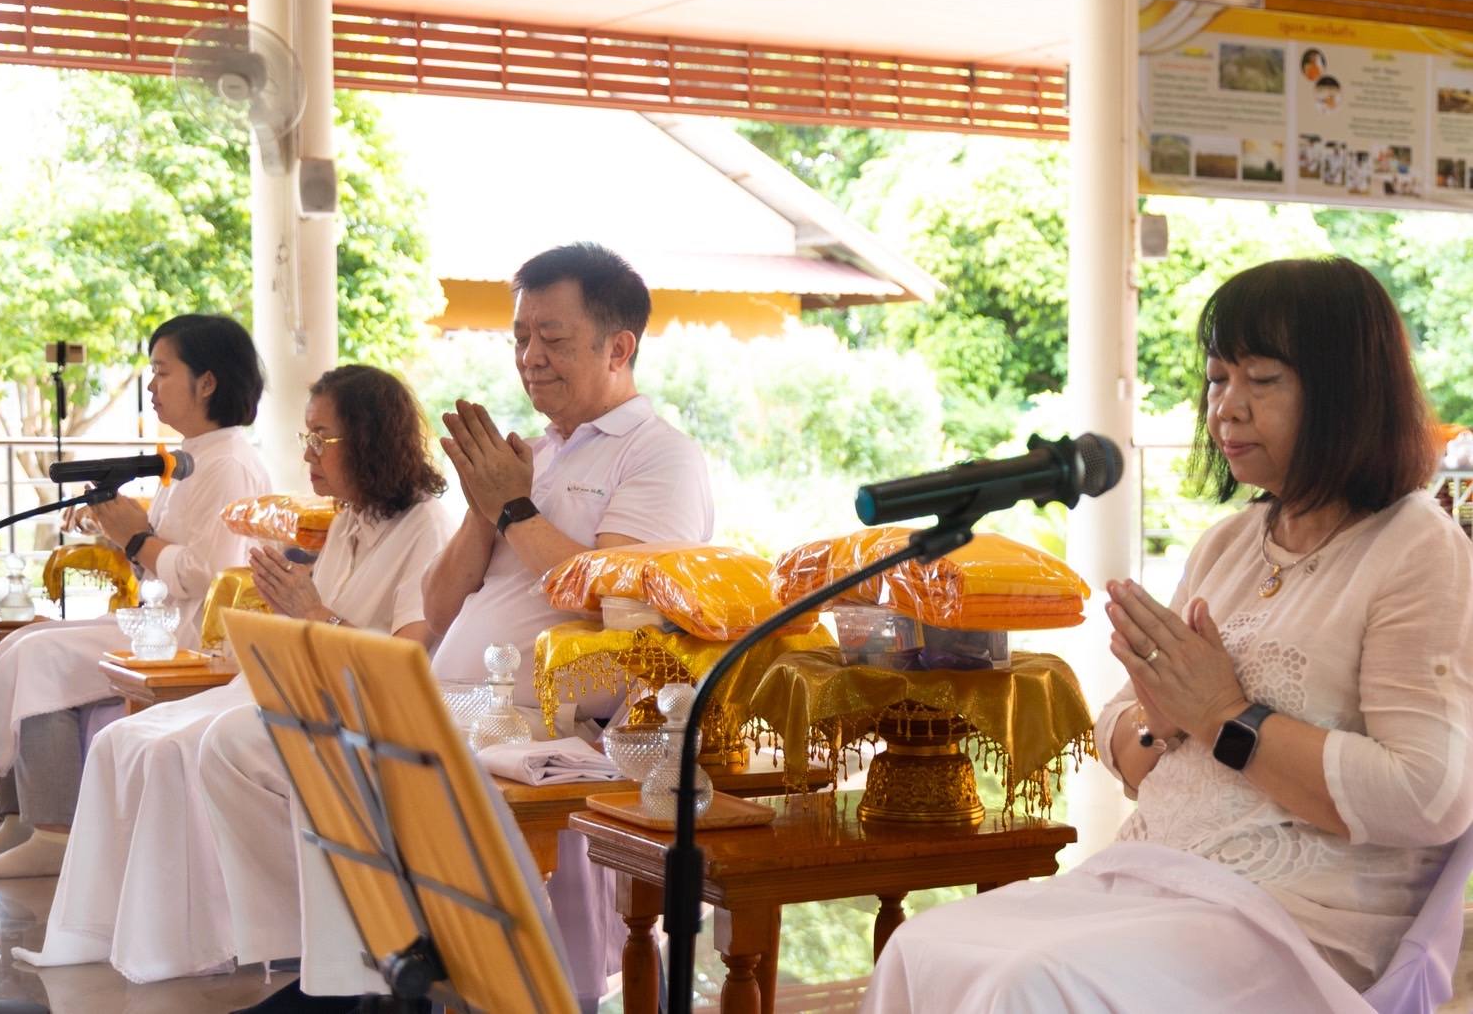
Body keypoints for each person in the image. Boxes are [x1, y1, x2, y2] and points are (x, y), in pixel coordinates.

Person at [864, 257, 1473, 1011]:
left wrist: (1226, 718)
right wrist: (1160, 722)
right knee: (923, 948)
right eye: (1218, 378)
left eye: (1262, 379)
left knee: (1022, 981)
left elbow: (1429, 796)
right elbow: (1121, 730)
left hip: (1297, 920)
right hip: (1156, 875)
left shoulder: (1415, 546)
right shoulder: (1227, 543)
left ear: (1346, 390)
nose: (1226, 409)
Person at [200, 241, 714, 1013]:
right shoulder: (530, 453)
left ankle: (366, 988)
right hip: (452, 695)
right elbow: (440, 607)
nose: (529, 358)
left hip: (549, 716)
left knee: (351, 761)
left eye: (553, 338)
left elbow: (617, 607)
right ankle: (323, 969)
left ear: (619, 347)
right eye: (519, 337)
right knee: (241, 742)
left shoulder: (657, 457)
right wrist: (485, 504)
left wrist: (514, 507)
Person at [11, 365, 455, 984]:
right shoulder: (350, 517)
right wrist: (287, 611)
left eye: (321, 438)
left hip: (351, 706)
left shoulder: (426, 525)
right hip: (294, 682)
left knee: (175, 754)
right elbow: (314, 622)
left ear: (372, 439)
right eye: (307, 437)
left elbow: (409, 658)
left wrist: (311, 612)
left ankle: (191, 943)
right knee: (120, 740)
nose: (308, 454)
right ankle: (104, 929)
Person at [0, 314, 271, 879]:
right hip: (159, 621)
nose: (151, 386)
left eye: (161, 372)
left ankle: (55, 833)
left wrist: (136, 536)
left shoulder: (231, 462)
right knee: (21, 642)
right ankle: (16, 819)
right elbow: (166, 554)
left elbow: (214, 574)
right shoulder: (191, 456)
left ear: (208, 382)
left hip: (191, 638)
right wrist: (116, 531)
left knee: (37, 654)